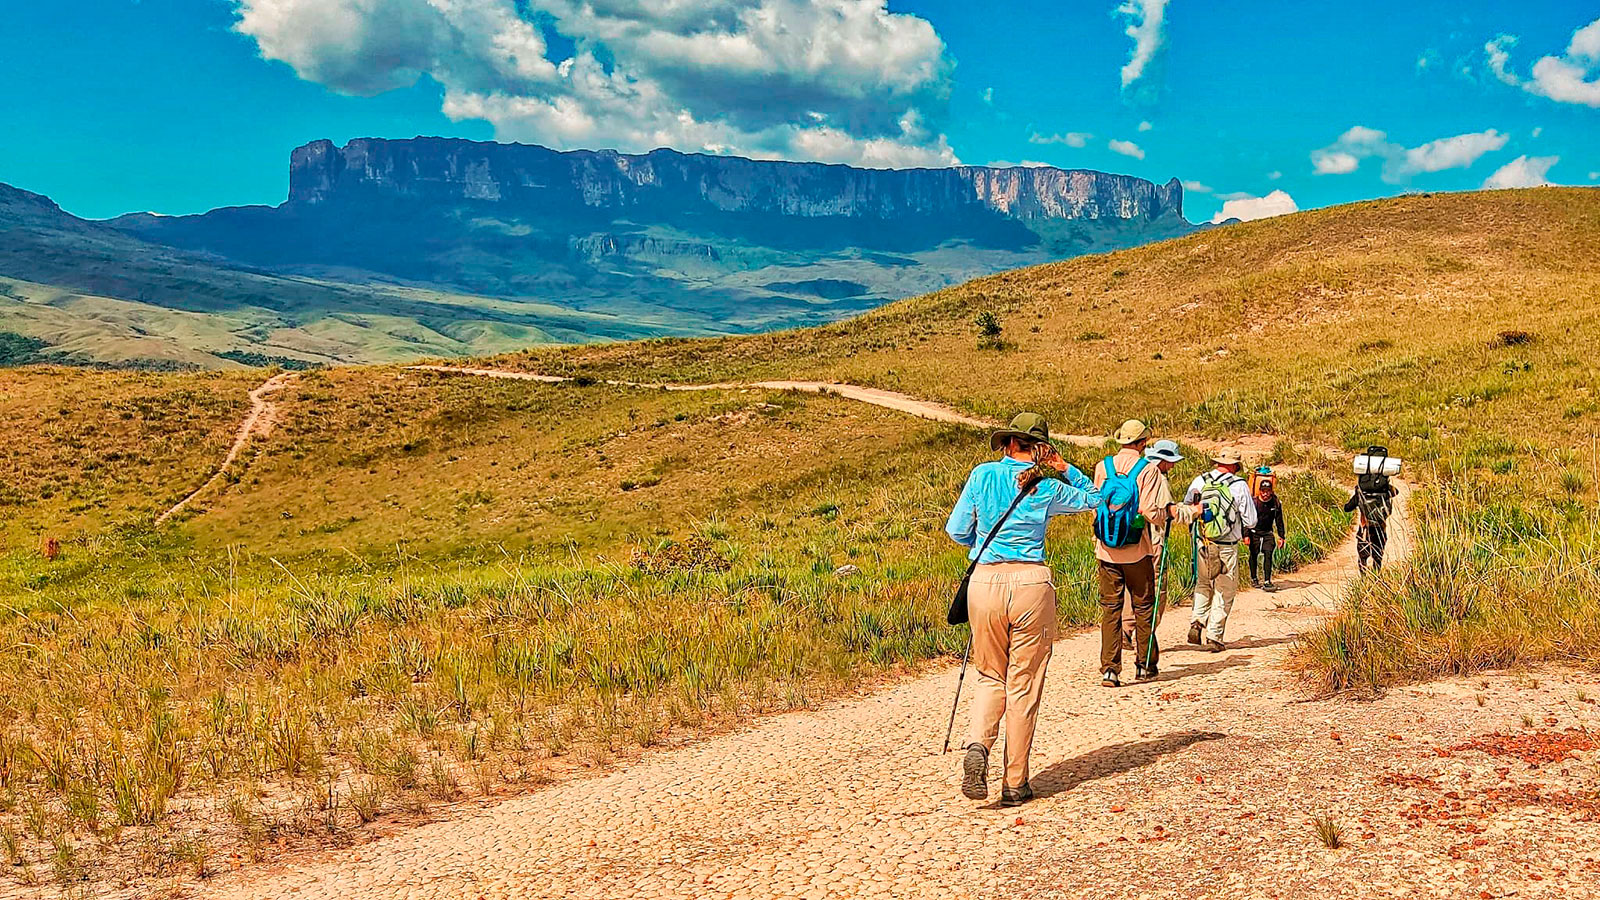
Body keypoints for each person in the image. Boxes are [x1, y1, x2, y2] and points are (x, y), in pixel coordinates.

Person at [946, 412, 1099, 807]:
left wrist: (977, 544)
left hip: (984, 580)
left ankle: (978, 743)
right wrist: (1064, 467)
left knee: (989, 675)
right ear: (1039, 448)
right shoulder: (1046, 488)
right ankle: (1015, 781)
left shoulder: (981, 475)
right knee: (1024, 683)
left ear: (1008, 443)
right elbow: (1097, 499)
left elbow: (956, 529)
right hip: (1030, 581)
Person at [1093, 421, 1194, 687]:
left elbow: (1096, 505)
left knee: (1111, 609)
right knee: (1144, 606)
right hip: (1138, 551)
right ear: (1142, 443)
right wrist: (1164, 516)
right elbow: (1150, 511)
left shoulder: (1103, 466)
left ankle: (1110, 669)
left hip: (1106, 551)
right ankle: (1145, 665)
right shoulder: (1147, 470)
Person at [1120, 439, 1191, 650]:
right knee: (1156, 586)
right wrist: (1192, 513)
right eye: (1171, 462)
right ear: (1163, 460)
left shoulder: (1137, 471)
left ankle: (1125, 628)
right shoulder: (1157, 478)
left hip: (1130, 539)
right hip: (1154, 540)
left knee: (1130, 585)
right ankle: (1147, 634)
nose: (1172, 466)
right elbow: (1166, 512)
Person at [1185, 450, 1256, 652]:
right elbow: (1251, 520)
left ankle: (1197, 621)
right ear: (1235, 466)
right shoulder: (1239, 485)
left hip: (1203, 542)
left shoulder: (1199, 480)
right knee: (1224, 590)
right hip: (1227, 545)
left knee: (1203, 583)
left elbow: (1188, 507)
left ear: (1216, 463)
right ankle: (1215, 636)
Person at [1345, 473, 1398, 571]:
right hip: (1380, 530)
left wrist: (1358, 493)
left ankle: (1364, 581)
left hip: (1365, 531)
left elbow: (1347, 508)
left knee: (1362, 559)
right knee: (1377, 559)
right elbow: (1396, 492)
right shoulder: (1385, 493)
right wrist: (1385, 486)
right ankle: (1376, 581)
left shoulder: (1360, 493)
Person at [1245, 467, 1286, 590]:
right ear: (1260, 490)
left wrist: (1281, 536)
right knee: (1253, 555)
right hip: (1254, 532)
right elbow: (1246, 520)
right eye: (1263, 490)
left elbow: (1279, 521)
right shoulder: (1254, 502)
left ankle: (1267, 581)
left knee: (1268, 554)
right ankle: (1254, 578)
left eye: (1268, 490)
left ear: (1271, 491)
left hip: (1268, 533)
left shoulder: (1275, 503)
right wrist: (1246, 535)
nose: (1265, 493)